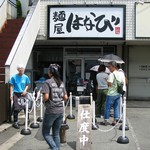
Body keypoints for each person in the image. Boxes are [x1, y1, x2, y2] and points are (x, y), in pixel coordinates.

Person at [42, 64, 68, 150]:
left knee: (45, 133)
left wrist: (43, 100)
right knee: (56, 134)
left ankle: (55, 149)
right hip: (60, 110)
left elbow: (46, 97)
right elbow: (65, 97)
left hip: (51, 110)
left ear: (50, 72)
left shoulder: (47, 82)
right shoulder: (61, 83)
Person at [101, 61, 124, 126]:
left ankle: (106, 121)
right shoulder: (120, 73)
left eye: (109, 66)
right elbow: (122, 82)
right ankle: (115, 120)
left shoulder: (111, 74)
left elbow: (110, 84)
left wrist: (107, 81)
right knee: (116, 107)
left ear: (114, 66)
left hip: (111, 93)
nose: (108, 68)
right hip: (118, 93)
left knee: (107, 107)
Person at [10, 64, 30, 129]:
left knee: (25, 107)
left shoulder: (26, 77)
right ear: (18, 70)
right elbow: (11, 86)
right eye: (20, 70)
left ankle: (27, 120)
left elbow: (27, 85)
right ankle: (15, 121)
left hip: (24, 93)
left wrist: (25, 90)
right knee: (16, 108)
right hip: (16, 93)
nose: (21, 71)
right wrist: (11, 94)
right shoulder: (14, 77)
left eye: (22, 70)